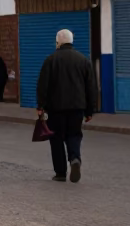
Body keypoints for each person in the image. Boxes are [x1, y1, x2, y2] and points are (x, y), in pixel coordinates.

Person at [37, 29, 97, 183]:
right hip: (77, 107)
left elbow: (43, 85)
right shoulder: (83, 60)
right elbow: (91, 87)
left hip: (55, 108)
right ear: (72, 41)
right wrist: (90, 110)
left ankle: (60, 173)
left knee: (56, 138)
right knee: (74, 135)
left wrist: (40, 105)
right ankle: (75, 159)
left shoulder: (50, 60)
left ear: (58, 42)